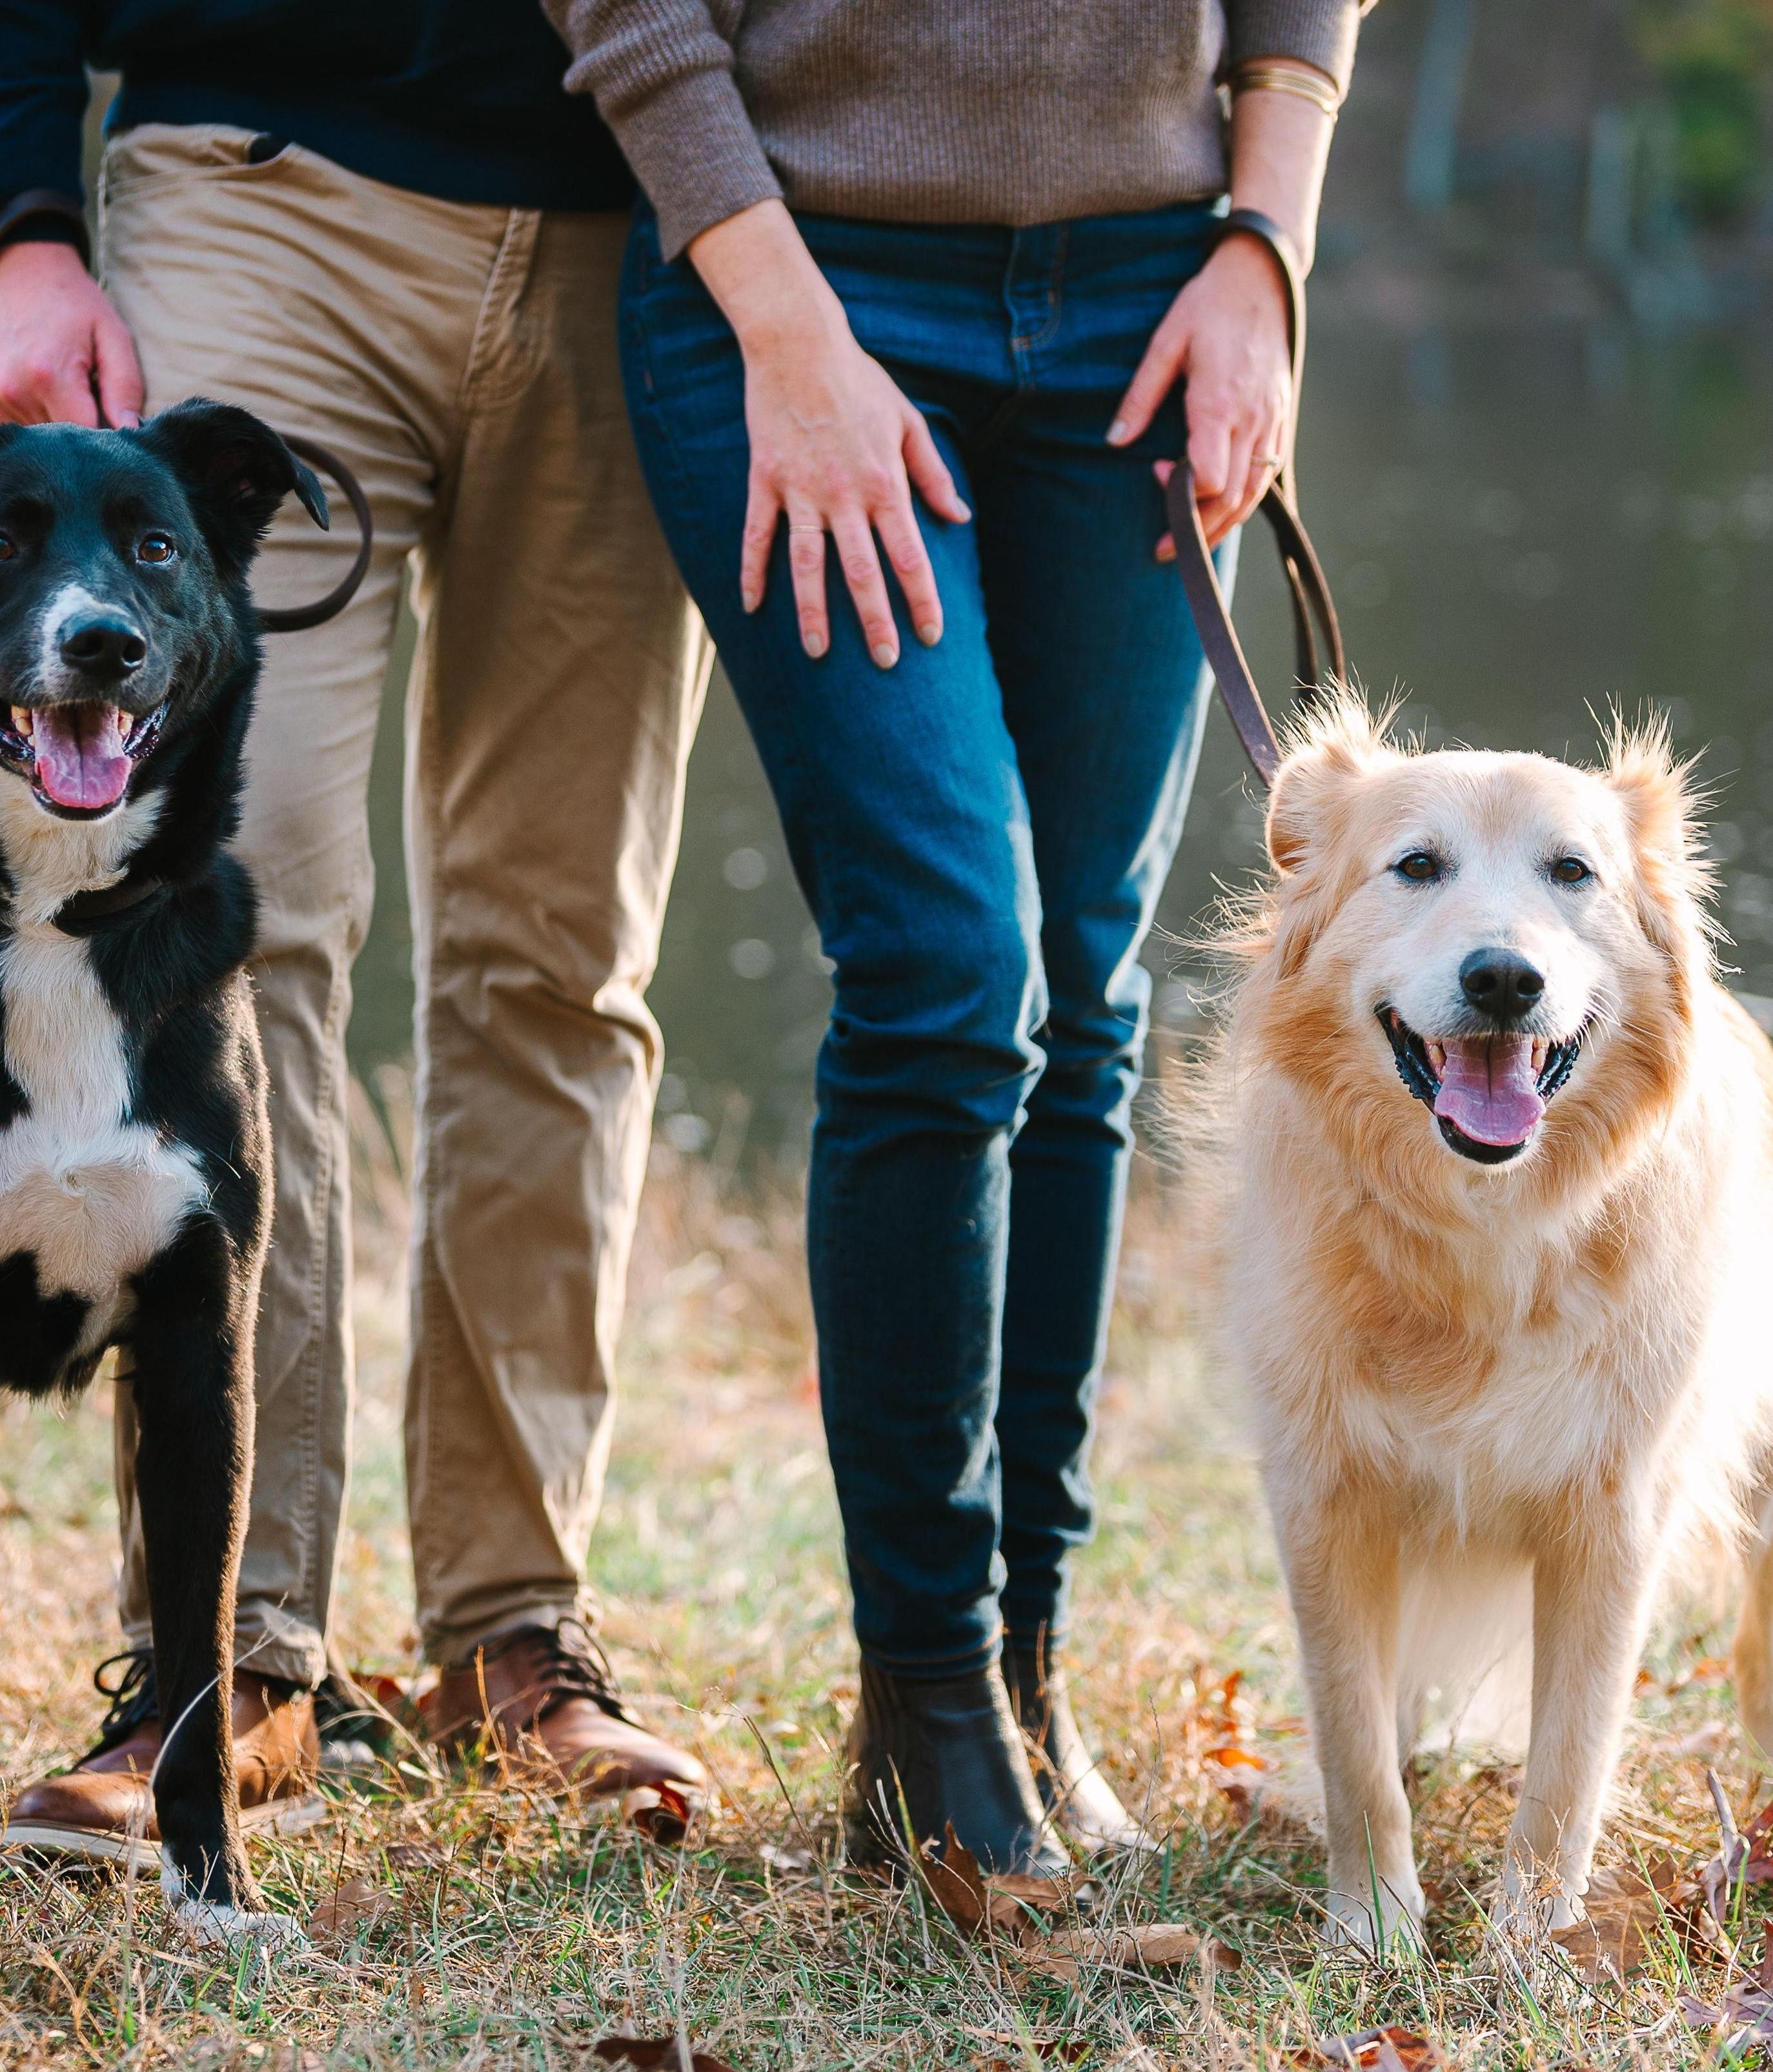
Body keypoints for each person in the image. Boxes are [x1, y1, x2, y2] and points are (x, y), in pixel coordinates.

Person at [545, 0, 1356, 1872]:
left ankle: (1019, 1669)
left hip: (1158, 292)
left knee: (1081, 988)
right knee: (943, 969)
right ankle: (922, 1697)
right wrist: (779, 319)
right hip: (800, 284)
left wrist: (1266, 245)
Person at [0, 0, 714, 1860]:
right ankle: (228, 1656)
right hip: (262, 195)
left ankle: (515, 1635)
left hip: (646, 217)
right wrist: (18, 210)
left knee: (561, 952)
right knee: (229, 922)